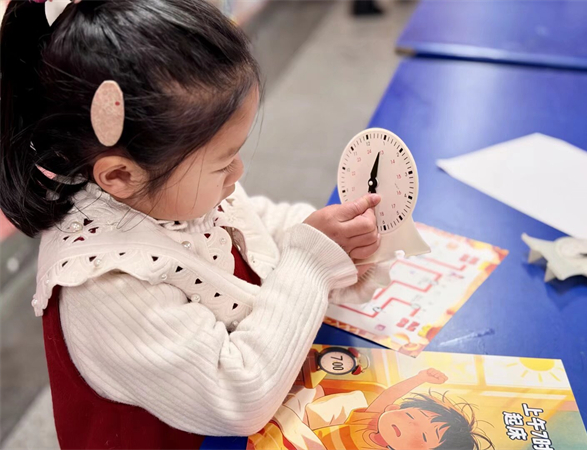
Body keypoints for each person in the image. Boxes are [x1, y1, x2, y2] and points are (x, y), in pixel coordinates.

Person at [0, 1, 390, 449]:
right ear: (120, 175)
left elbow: (253, 225)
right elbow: (239, 395)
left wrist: (335, 242)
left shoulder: (166, 189)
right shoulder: (105, 286)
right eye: (223, 163)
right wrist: (311, 264)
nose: (237, 172)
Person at [271, 369, 494, 450]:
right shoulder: (369, 422)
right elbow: (389, 394)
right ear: (392, 408)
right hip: (303, 433)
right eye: (410, 415)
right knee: (310, 393)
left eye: (424, 436)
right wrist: (420, 378)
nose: (409, 426)